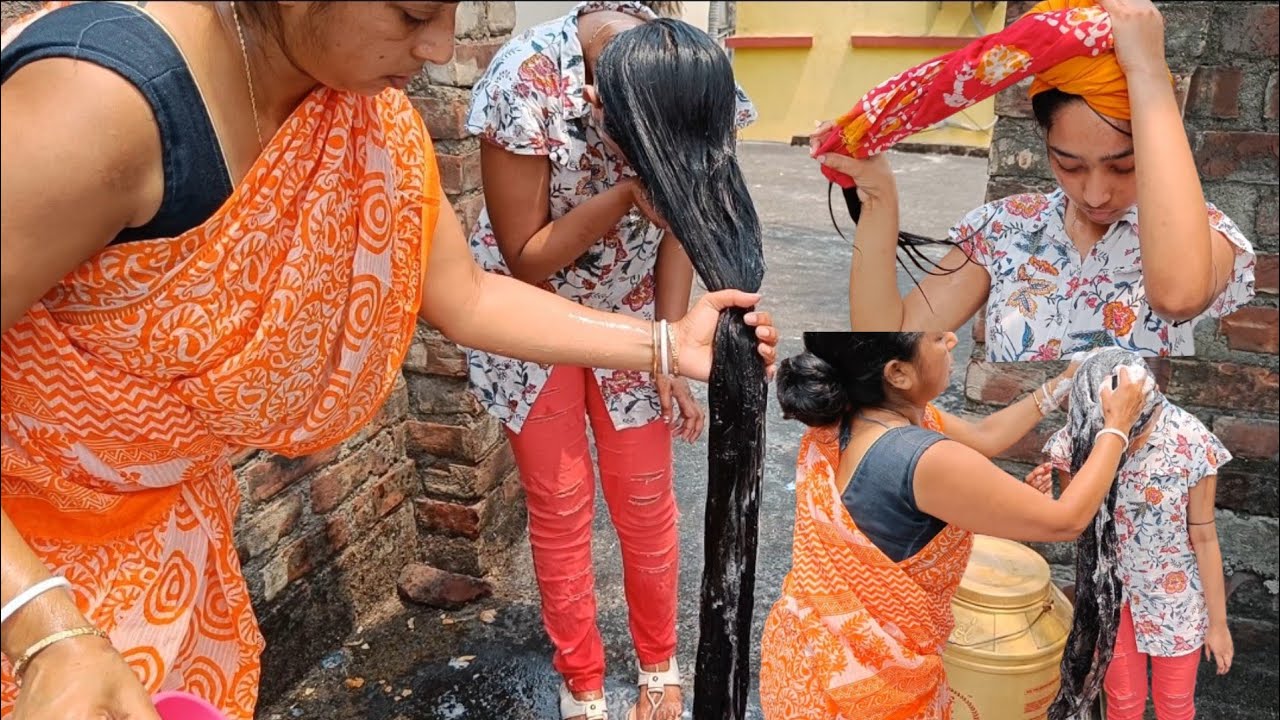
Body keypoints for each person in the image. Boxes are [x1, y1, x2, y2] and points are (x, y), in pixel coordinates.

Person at [0, 3, 778, 719]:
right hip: (31, 577)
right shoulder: (97, 102)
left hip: (169, 555)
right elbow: (521, 260)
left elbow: (467, 296)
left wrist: (667, 344)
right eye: (412, 12)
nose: (439, 46)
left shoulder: (363, 113)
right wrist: (41, 625)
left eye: (448, 10)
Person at [462, 3, 758, 718]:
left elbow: (680, 226)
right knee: (562, 506)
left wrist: (670, 343)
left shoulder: (690, 76)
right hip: (528, 319)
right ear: (594, 103)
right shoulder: (524, 84)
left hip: (630, 306)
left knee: (647, 498)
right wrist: (626, 193)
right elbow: (527, 260)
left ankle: (660, 666)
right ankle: (582, 682)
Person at [827, 0, 1255, 360]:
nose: (1095, 192)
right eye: (1069, 165)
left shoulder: (1207, 237)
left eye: (1124, 167)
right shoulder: (1006, 227)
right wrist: (879, 195)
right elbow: (888, 340)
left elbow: (1177, 296)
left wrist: (1148, 71)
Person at [757, 332, 1146, 719]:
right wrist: (1117, 425)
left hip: (808, 659)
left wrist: (1062, 381)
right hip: (866, 687)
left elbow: (985, 437)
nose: (951, 339)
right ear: (898, 373)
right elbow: (1067, 521)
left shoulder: (862, 416)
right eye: (935, 338)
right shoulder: (923, 457)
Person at [1041, 348, 1233, 720]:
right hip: (1112, 596)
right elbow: (1075, 524)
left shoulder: (1189, 439)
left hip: (1175, 596)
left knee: (1175, 705)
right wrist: (1044, 505)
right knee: (1123, 702)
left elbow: (1205, 536)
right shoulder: (1081, 436)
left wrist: (1219, 624)